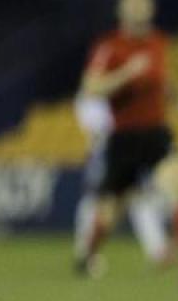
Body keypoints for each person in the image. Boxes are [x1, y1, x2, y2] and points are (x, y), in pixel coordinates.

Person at [74, 0, 178, 296]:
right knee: (110, 213)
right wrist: (126, 73)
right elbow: (90, 87)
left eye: (145, 1)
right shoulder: (109, 46)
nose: (141, 6)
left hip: (155, 134)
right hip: (123, 139)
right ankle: (88, 253)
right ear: (122, 9)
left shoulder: (157, 41)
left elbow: (161, 78)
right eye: (135, 2)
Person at [72, 93, 170, 274]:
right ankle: (86, 253)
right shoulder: (90, 98)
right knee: (95, 201)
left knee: (139, 201)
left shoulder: (120, 89)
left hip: (128, 148)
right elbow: (96, 129)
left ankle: (158, 251)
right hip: (106, 153)